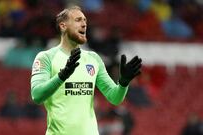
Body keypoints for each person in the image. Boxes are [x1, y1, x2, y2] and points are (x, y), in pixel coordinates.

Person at [30, 6, 142, 135]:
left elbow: (114, 98)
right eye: (78, 20)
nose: (83, 24)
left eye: (84, 21)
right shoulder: (46, 58)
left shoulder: (93, 59)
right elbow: (37, 95)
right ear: (63, 26)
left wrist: (123, 83)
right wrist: (61, 76)